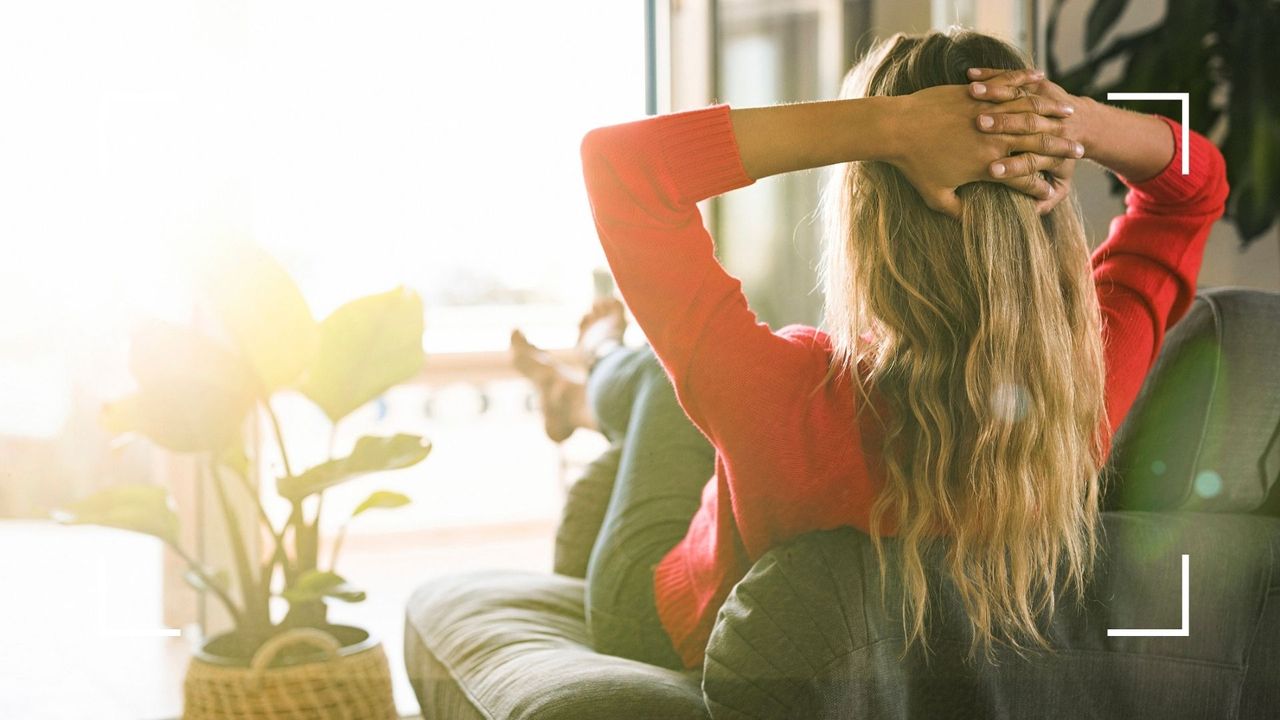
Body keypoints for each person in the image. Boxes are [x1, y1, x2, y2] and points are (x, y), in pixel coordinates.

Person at [512, 29, 1228, 672]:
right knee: (685, 388)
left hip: (661, 615)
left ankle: (587, 372)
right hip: (751, 475)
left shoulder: (779, 392)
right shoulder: (1082, 392)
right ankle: (581, 383)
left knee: (650, 380)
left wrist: (887, 126)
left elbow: (618, 164)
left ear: (865, 211)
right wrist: (1073, 119)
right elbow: (1194, 191)